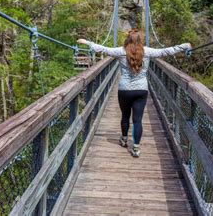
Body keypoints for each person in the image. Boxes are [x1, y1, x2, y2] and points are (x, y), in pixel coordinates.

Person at [77, 29, 191, 157]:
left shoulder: (121, 51)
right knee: (138, 120)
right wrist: (183, 46)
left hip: (124, 90)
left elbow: (103, 49)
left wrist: (87, 43)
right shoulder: (147, 51)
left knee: (125, 116)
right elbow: (166, 51)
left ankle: (124, 139)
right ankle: (136, 148)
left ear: (128, 39)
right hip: (141, 90)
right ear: (140, 40)